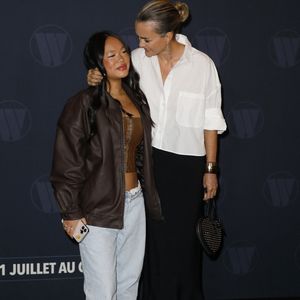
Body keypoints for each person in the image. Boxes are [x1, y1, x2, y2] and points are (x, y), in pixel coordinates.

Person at [87, 1, 227, 299]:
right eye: (138, 38)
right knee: (150, 246)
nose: (138, 44)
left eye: (146, 39)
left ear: (168, 35)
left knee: (184, 246)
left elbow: (210, 121)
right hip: (146, 164)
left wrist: (210, 169)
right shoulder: (136, 60)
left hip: (188, 168)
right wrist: (95, 76)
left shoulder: (202, 65)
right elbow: (111, 85)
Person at [50, 31, 162, 300]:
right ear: (97, 64)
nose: (121, 58)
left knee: (128, 285)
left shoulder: (137, 99)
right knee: (102, 290)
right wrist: (71, 212)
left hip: (135, 204)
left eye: (123, 51)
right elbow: (67, 163)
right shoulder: (83, 104)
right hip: (97, 210)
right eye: (111, 55)